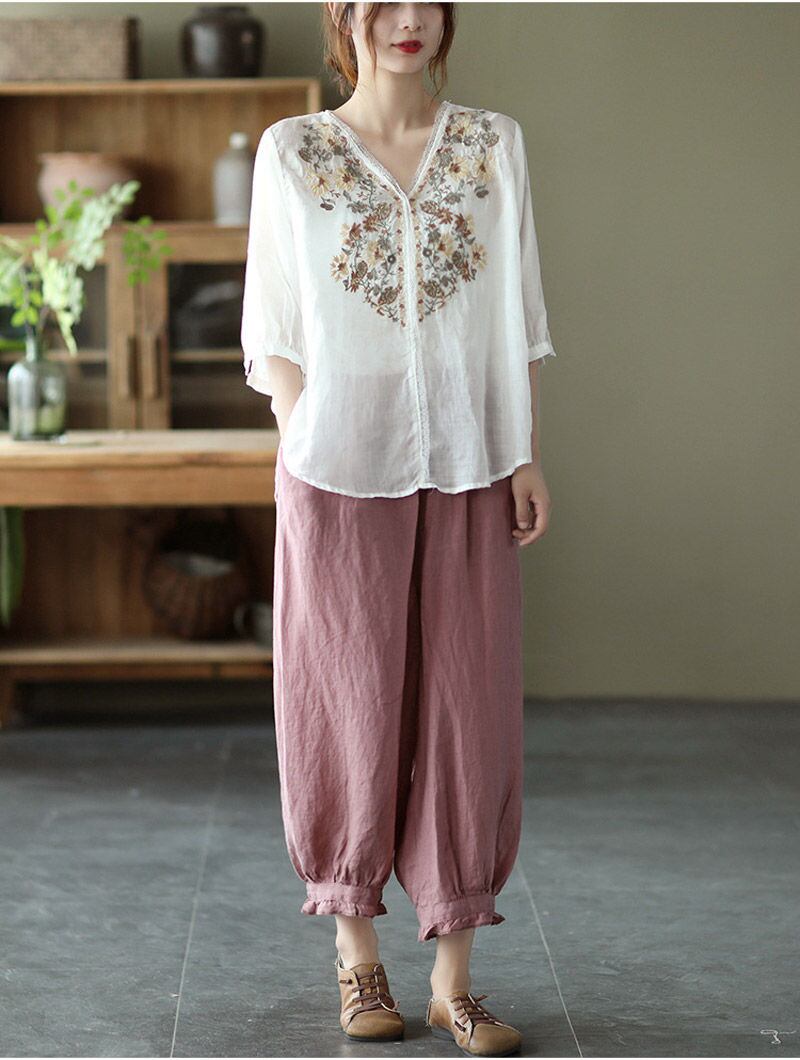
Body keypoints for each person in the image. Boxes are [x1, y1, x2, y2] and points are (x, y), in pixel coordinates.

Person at [240, 3, 557, 1055]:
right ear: (343, 14)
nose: (409, 19)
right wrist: (302, 437)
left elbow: (516, 317)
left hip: (470, 459)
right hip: (336, 468)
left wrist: (522, 451)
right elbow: (272, 324)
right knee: (345, 702)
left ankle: (454, 980)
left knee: (468, 710)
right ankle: (357, 956)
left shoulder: (493, 145)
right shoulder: (293, 152)